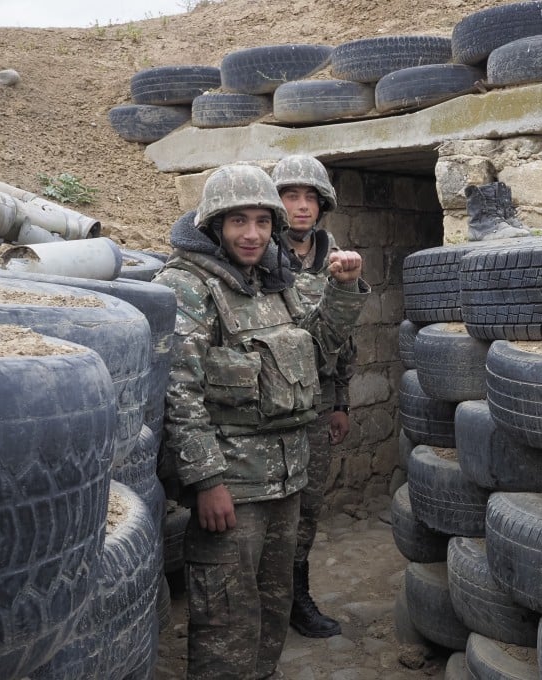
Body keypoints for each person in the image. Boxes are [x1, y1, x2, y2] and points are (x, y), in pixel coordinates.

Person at [154, 164, 368, 680]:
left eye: (261, 222)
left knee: (272, 611)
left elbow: (317, 350)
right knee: (226, 618)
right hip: (233, 488)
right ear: (213, 227)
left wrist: (343, 289)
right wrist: (206, 482)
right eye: (237, 222)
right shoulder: (186, 286)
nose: (251, 235)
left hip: (287, 480)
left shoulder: (274, 281)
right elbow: (177, 393)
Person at [271, 155, 356, 638]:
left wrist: (340, 401)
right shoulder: (256, 251)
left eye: (310, 197)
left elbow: (345, 340)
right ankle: (269, 599)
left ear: (322, 205)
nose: (301, 207)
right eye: (290, 195)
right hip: (270, 399)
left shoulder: (336, 258)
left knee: (308, 503)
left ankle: (296, 598)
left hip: (318, 400)